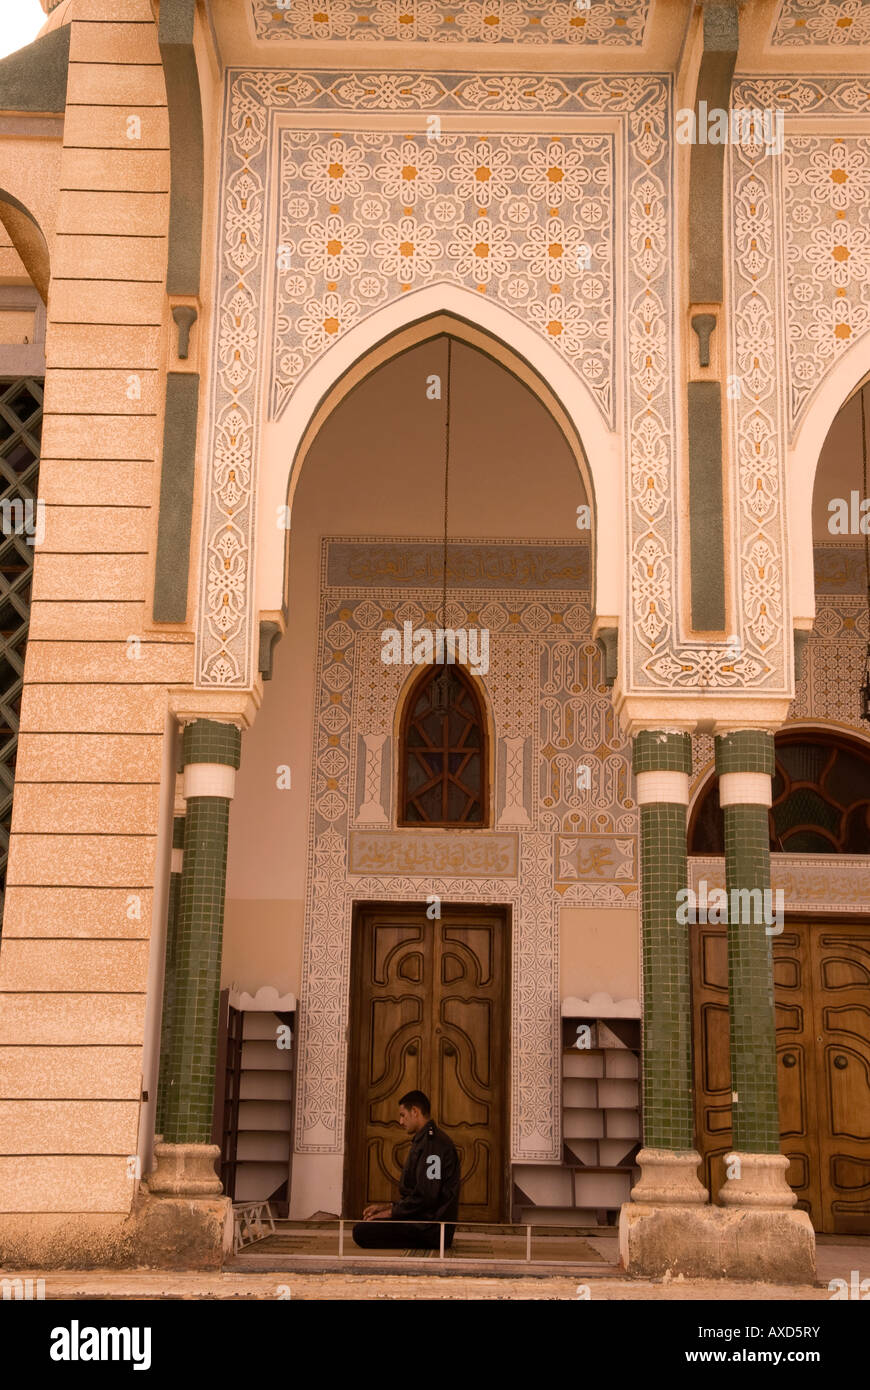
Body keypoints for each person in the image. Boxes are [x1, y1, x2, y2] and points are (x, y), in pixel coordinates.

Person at [351, 1090, 461, 1250]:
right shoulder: (426, 1140)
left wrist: (391, 1213)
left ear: (415, 1112)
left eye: (403, 1115)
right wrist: (388, 1207)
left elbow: (428, 1196)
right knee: (368, 1224)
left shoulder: (434, 1144)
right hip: (422, 1220)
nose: (401, 1121)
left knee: (361, 1231)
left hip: (431, 1229)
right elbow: (418, 1193)